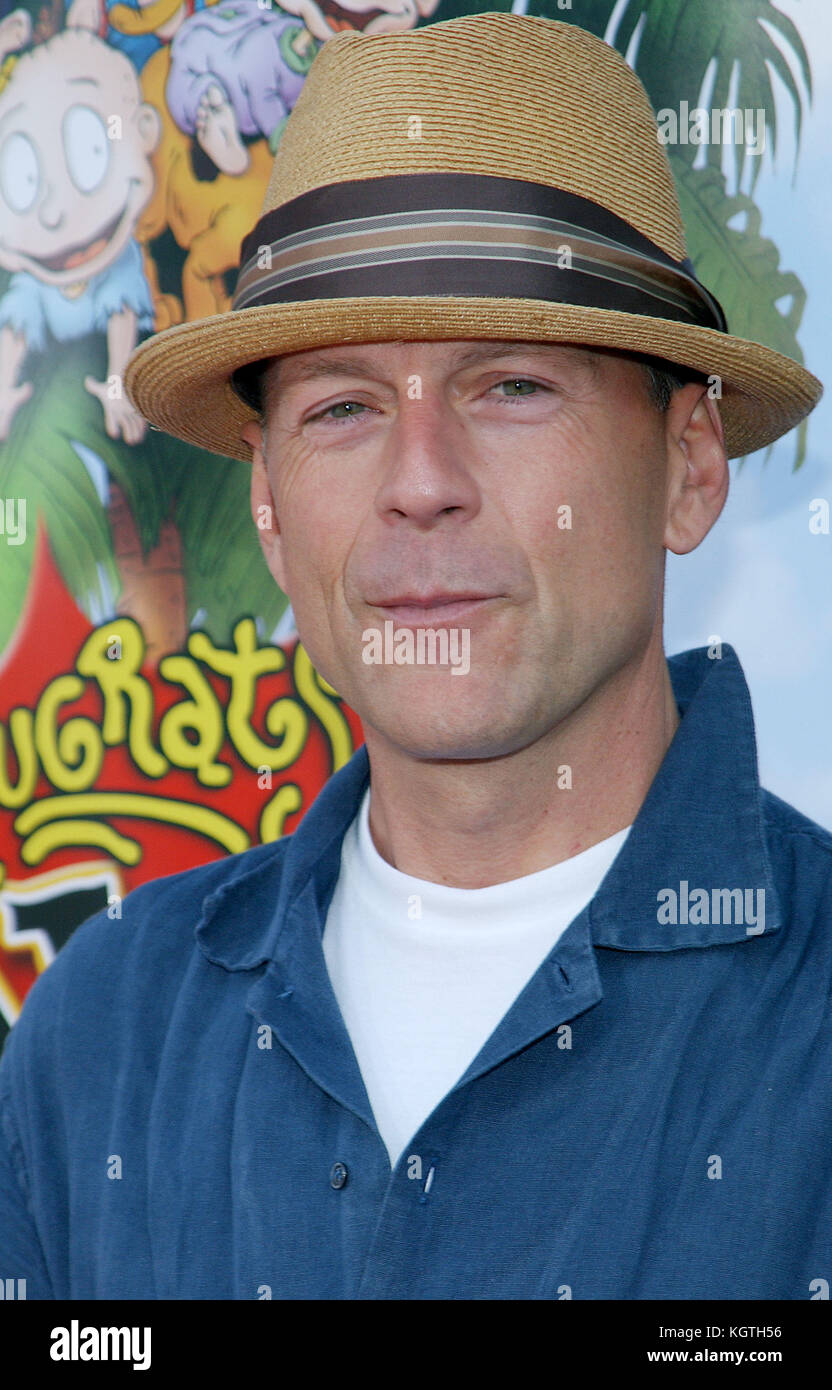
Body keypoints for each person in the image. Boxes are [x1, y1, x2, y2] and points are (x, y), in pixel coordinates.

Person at [1, 12, 828, 1301]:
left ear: (689, 466)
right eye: (344, 406)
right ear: (269, 510)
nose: (421, 483)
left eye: (512, 386)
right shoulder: (101, 1036)